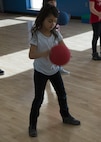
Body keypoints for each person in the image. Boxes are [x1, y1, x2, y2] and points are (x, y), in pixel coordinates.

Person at [28, 4, 80, 137]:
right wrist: (47, 53)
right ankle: (32, 125)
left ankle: (66, 116)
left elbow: (64, 48)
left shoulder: (56, 34)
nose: (52, 24)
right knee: (38, 99)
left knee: (62, 94)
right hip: (40, 71)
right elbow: (31, 55)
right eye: (49, 21)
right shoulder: (36, 35)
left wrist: (66, 54)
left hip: (54, 70)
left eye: (55, 21)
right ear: (42, 19)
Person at [43, 0, 70, 75]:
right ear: (47, 3)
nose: (54, 3)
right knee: (52, 52)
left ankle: (59, 68)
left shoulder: (57, 11)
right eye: (51, 2)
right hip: (49, 35)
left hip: (56, 34)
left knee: (59, 51)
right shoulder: (45, 13)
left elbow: (61, 20)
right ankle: (49, 68)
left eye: (54, 1)